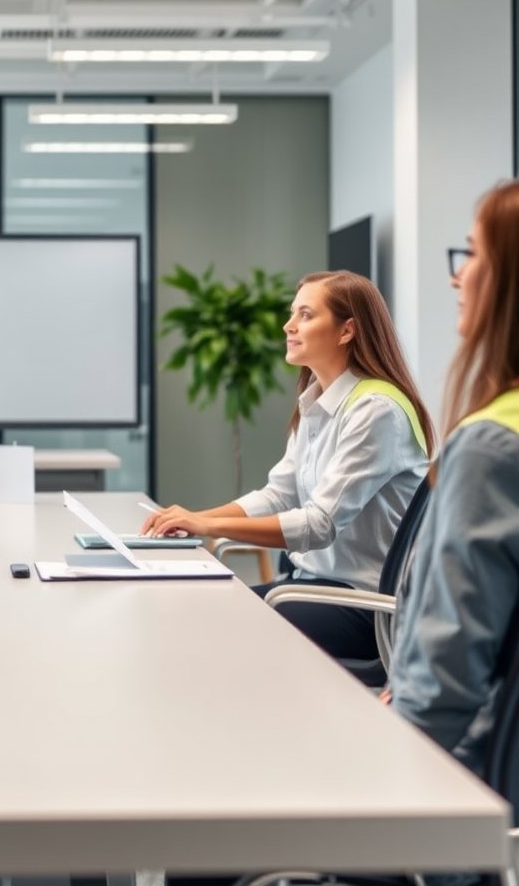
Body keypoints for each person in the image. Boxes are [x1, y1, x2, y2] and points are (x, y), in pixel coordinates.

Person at [142, 270, 433, 663]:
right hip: (310, 588)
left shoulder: (376, 410)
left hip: (361, 607)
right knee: (202, 610)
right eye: (292, 313)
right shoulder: (318, 402)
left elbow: (318, 525)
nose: (288, 325)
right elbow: (279, 494)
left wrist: (207, 526)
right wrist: (193, 518)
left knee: (216, 626)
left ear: (347, 331)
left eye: (306, 315)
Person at [391, 179, 519, 777]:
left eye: (472, 254)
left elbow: (446, 682)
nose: (456, 276)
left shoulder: (493, 446)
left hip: (465, 794)